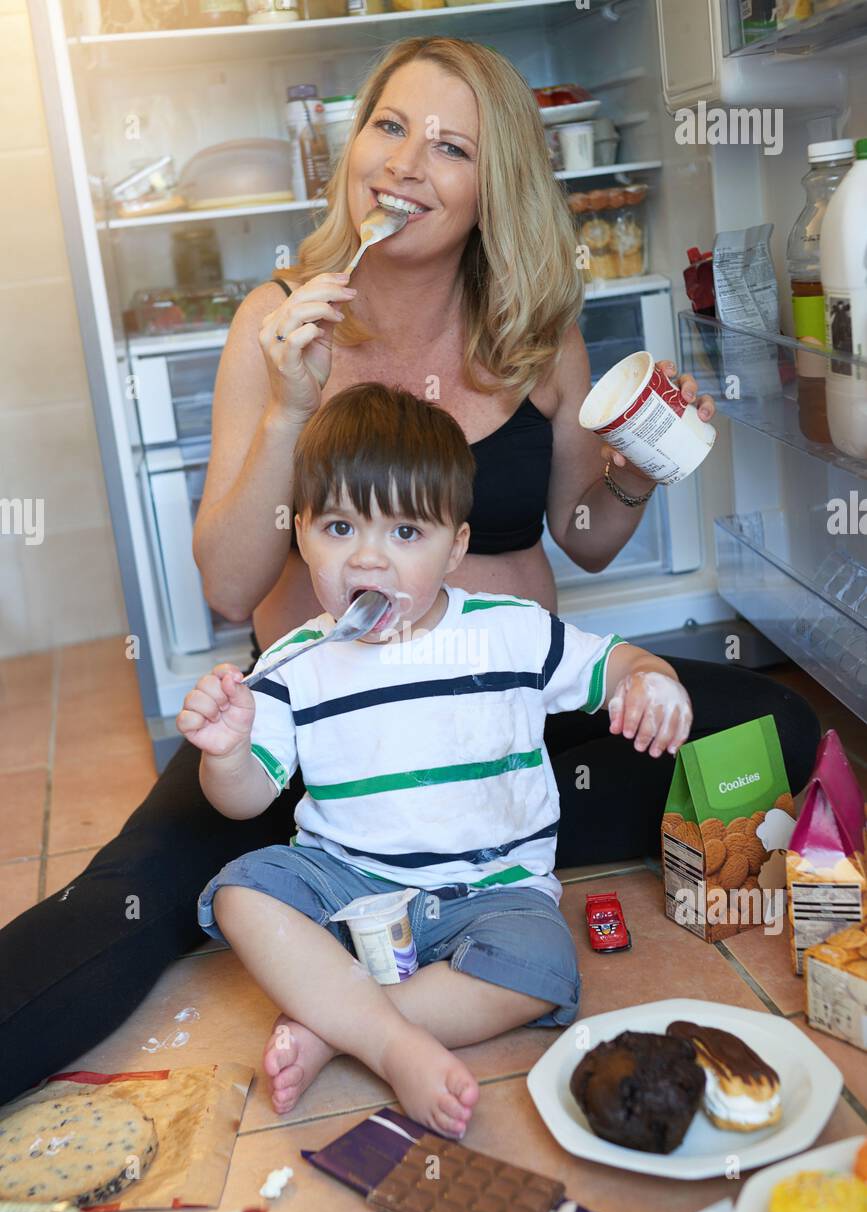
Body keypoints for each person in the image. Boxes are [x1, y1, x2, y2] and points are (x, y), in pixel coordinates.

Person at [0, 37, 819, 1109]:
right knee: (129, 901)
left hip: (507, 728)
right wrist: (292, 406)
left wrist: (638, 472)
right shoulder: (279, 319)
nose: (404, 163)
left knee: (774, 725)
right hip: (318, 756)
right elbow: (228, 587)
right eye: (389, 128)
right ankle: (409, 877)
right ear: (354, 145)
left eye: (449, 147)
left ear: (497, 187)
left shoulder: (535, 329)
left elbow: (579, 530)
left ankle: (450, 872)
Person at [177, 383, 695, 1136]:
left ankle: (336, 1025)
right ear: (300, 533)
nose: (368, 558)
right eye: (339, 526)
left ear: (456, 545)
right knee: (241, 895)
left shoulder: (508, 633)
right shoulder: (293, 662)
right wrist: (224, 753)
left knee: (541, 966)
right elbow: (244, 800)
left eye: (406, 534)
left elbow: (621, 663)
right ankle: (390, 1043)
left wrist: (652, 682)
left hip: (490, 888)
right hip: (347, 884)